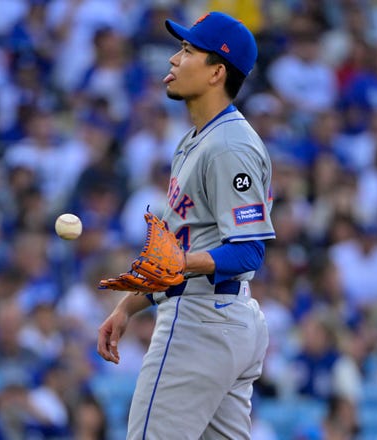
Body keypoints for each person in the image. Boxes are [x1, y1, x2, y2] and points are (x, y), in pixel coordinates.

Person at [97, 11, 275, 439]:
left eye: (188, 51)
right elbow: (181, 250)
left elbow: (248, 249)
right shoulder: (199, 138)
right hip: (221, 319)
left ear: (217, 71)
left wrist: (183, 263)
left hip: (200, 322)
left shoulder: (228, 145)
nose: (174, 59)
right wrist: (128, 307)